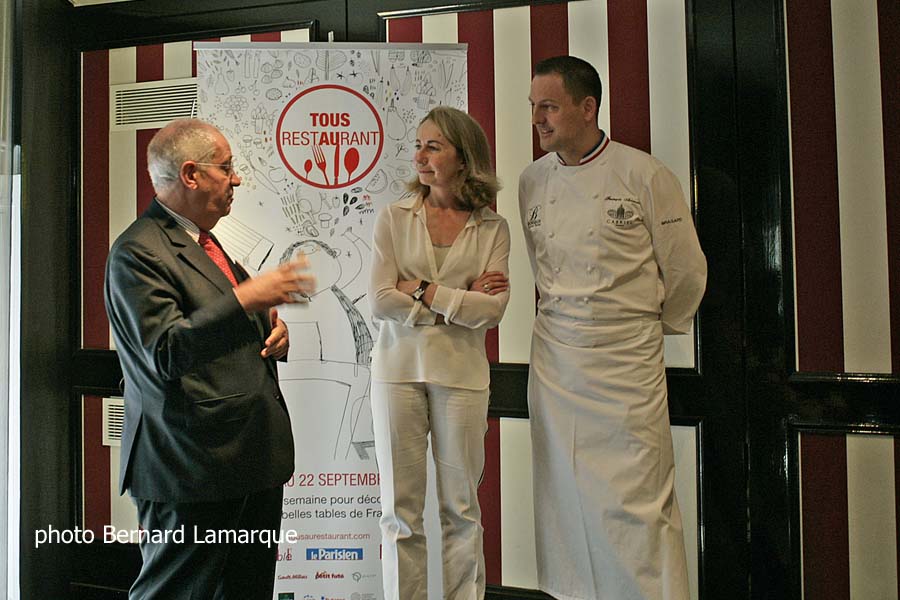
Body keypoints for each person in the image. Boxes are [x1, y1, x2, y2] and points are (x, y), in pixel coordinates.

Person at [519, 56, 707, 600]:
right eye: (533, 107)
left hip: (626, 364)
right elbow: (541, 269)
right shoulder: (532, 181)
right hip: (556, 362)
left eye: (549, 107)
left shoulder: (645, 175)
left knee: (638, 503)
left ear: (588, 108)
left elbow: (687, 272)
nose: (538, 119)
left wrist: (640, 327)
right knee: (564, 499)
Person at [104, 118, 315, 600]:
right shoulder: (137, 252)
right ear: (191, 174)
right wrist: (246, 300)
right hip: (190, 467)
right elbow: (165, 352)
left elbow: (220, 324)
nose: (236, 179)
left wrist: (272, 332)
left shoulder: (205, 240)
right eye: (227, 167)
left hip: (246, 460)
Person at [369, 106, 510, 600]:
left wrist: (424, 289)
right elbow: (380, 300)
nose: (420, 157)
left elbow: (492, 310)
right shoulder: (394, 217)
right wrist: (457, 302)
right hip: (397, 373)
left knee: (462, 510)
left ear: (464, 158)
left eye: (433, 147)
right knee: (399, 512)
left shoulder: (493, 228)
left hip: (462, 378)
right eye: (418, 145)